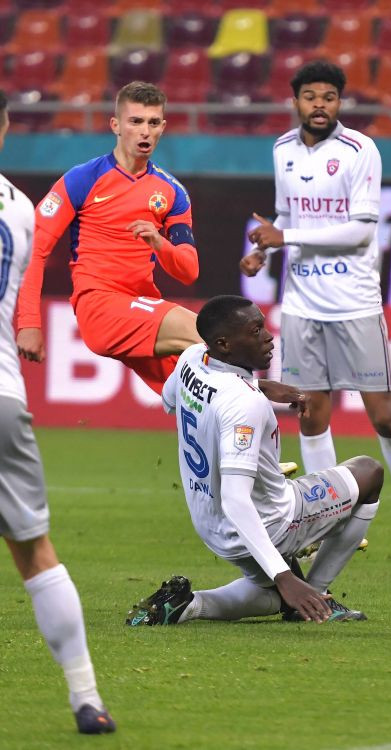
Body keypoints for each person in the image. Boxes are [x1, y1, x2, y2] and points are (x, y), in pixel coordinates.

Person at [240, 61, 391, 566]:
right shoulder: (282, 149)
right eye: (310, 96)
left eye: (329, 97)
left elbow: (361, 231)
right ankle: (327, 522)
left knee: (384, 416)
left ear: (340, 102)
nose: (320, 105)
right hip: (301, 304)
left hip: (354, 303)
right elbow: (287, 215)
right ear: (296, 101)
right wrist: (263, 250)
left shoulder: (361, 150)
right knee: (310, 413)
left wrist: (284, 236)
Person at [126, 295, 383, 627]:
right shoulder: (245, 404)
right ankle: (318, 596)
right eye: (255, 330)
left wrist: (258, 385)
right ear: (224, 343)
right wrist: (284, 577)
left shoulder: (192, 358)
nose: (268, 336)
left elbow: (169, 399)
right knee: (369, 472)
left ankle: (191, 604)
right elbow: (236, 499)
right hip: (268, 523)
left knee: (273, 596)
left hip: (210, 523)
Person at [0, 91, 116, 734]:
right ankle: (86, 697)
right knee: (36, 553)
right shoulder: (20, 209)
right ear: (6, 128)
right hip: (4, 397)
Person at [15, 81, 199, 394]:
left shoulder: (172, 192)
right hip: (100, 306)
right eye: (135, 121)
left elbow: (188, 271)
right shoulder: (83, 179)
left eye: (153, 123)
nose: (145, 131)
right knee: (208, 334)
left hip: (142, 305)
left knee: (198, 390)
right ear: (115, 125)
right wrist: (28, 322)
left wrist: (159, 243)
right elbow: (34, 249)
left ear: (163, 127)